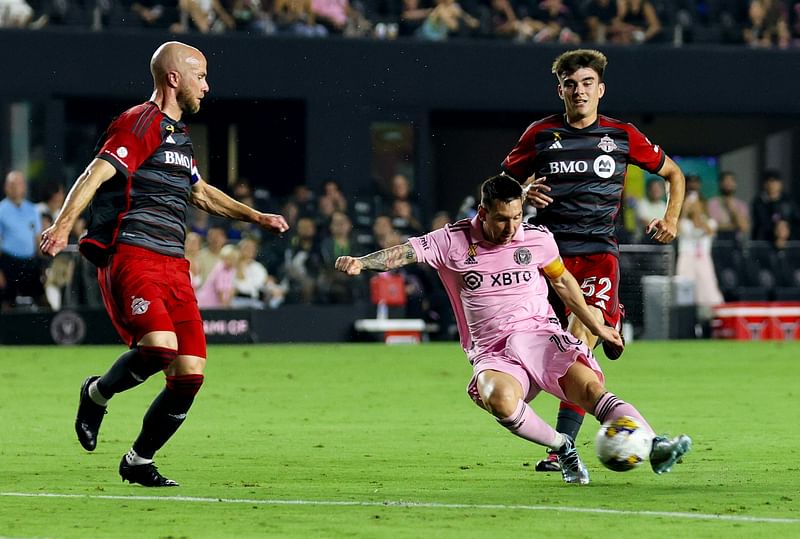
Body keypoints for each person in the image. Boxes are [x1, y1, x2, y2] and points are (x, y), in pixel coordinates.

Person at [39, 41, 289, 487]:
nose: (207, 87)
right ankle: (96, 394)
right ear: (175, 78)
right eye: (201, 76)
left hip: (174, 264)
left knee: (190, 371)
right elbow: (94, 174)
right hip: (132, 254)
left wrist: (256, 217)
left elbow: (201, 192)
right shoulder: (140, 122)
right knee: (158, 348)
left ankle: (138, 460)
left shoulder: (179, 137)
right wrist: (61, 227)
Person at [335, 175, 692, 484]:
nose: (511, 228)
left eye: (517, 217)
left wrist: (596, 323)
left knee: (591, 389)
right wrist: (361, 263)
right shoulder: (452, 240)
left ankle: (655, 444)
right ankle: (563, 447)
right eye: (502, 220)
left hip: (541, 336)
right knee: (500, 400)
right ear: (483, 212)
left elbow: (564, 282)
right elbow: (404, 253)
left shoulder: (536, 237)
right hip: (492, 350)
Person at [501, 48, 686, 473]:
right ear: (560, 89)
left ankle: (561, 449)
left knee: (577, 344)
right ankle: (569, 440)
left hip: (598, 257)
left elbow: (674, 173)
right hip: (545, 259)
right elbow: (501, 187)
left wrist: (671, 218)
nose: (579, 91)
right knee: (556, 354)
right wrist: (524, 194)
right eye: (571, 84)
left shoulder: (621, 135)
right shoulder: (540, 134)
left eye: (587, 84)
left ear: (600, 89)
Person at [0, 170, 48, 310]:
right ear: (6, 187)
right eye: (12, 184)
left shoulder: (32, 210)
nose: (15, 187)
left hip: (30, 263)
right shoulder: (1, 210)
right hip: (8, 263)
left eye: (19, 183)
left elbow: (38, 239)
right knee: (7, 305)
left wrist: (44, 266)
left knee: (43, 303)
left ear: (24, 187)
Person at [706, 171, 750, 243]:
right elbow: (711, 227)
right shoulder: (711, 203)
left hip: (736, 244)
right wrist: (734, 226)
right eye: (725, 181)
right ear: (720, 184)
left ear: (735, 184)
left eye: (731, 181)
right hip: (716, 242)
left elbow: (744, 227)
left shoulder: (741, 205)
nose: (728, 184)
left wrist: (732, 209)